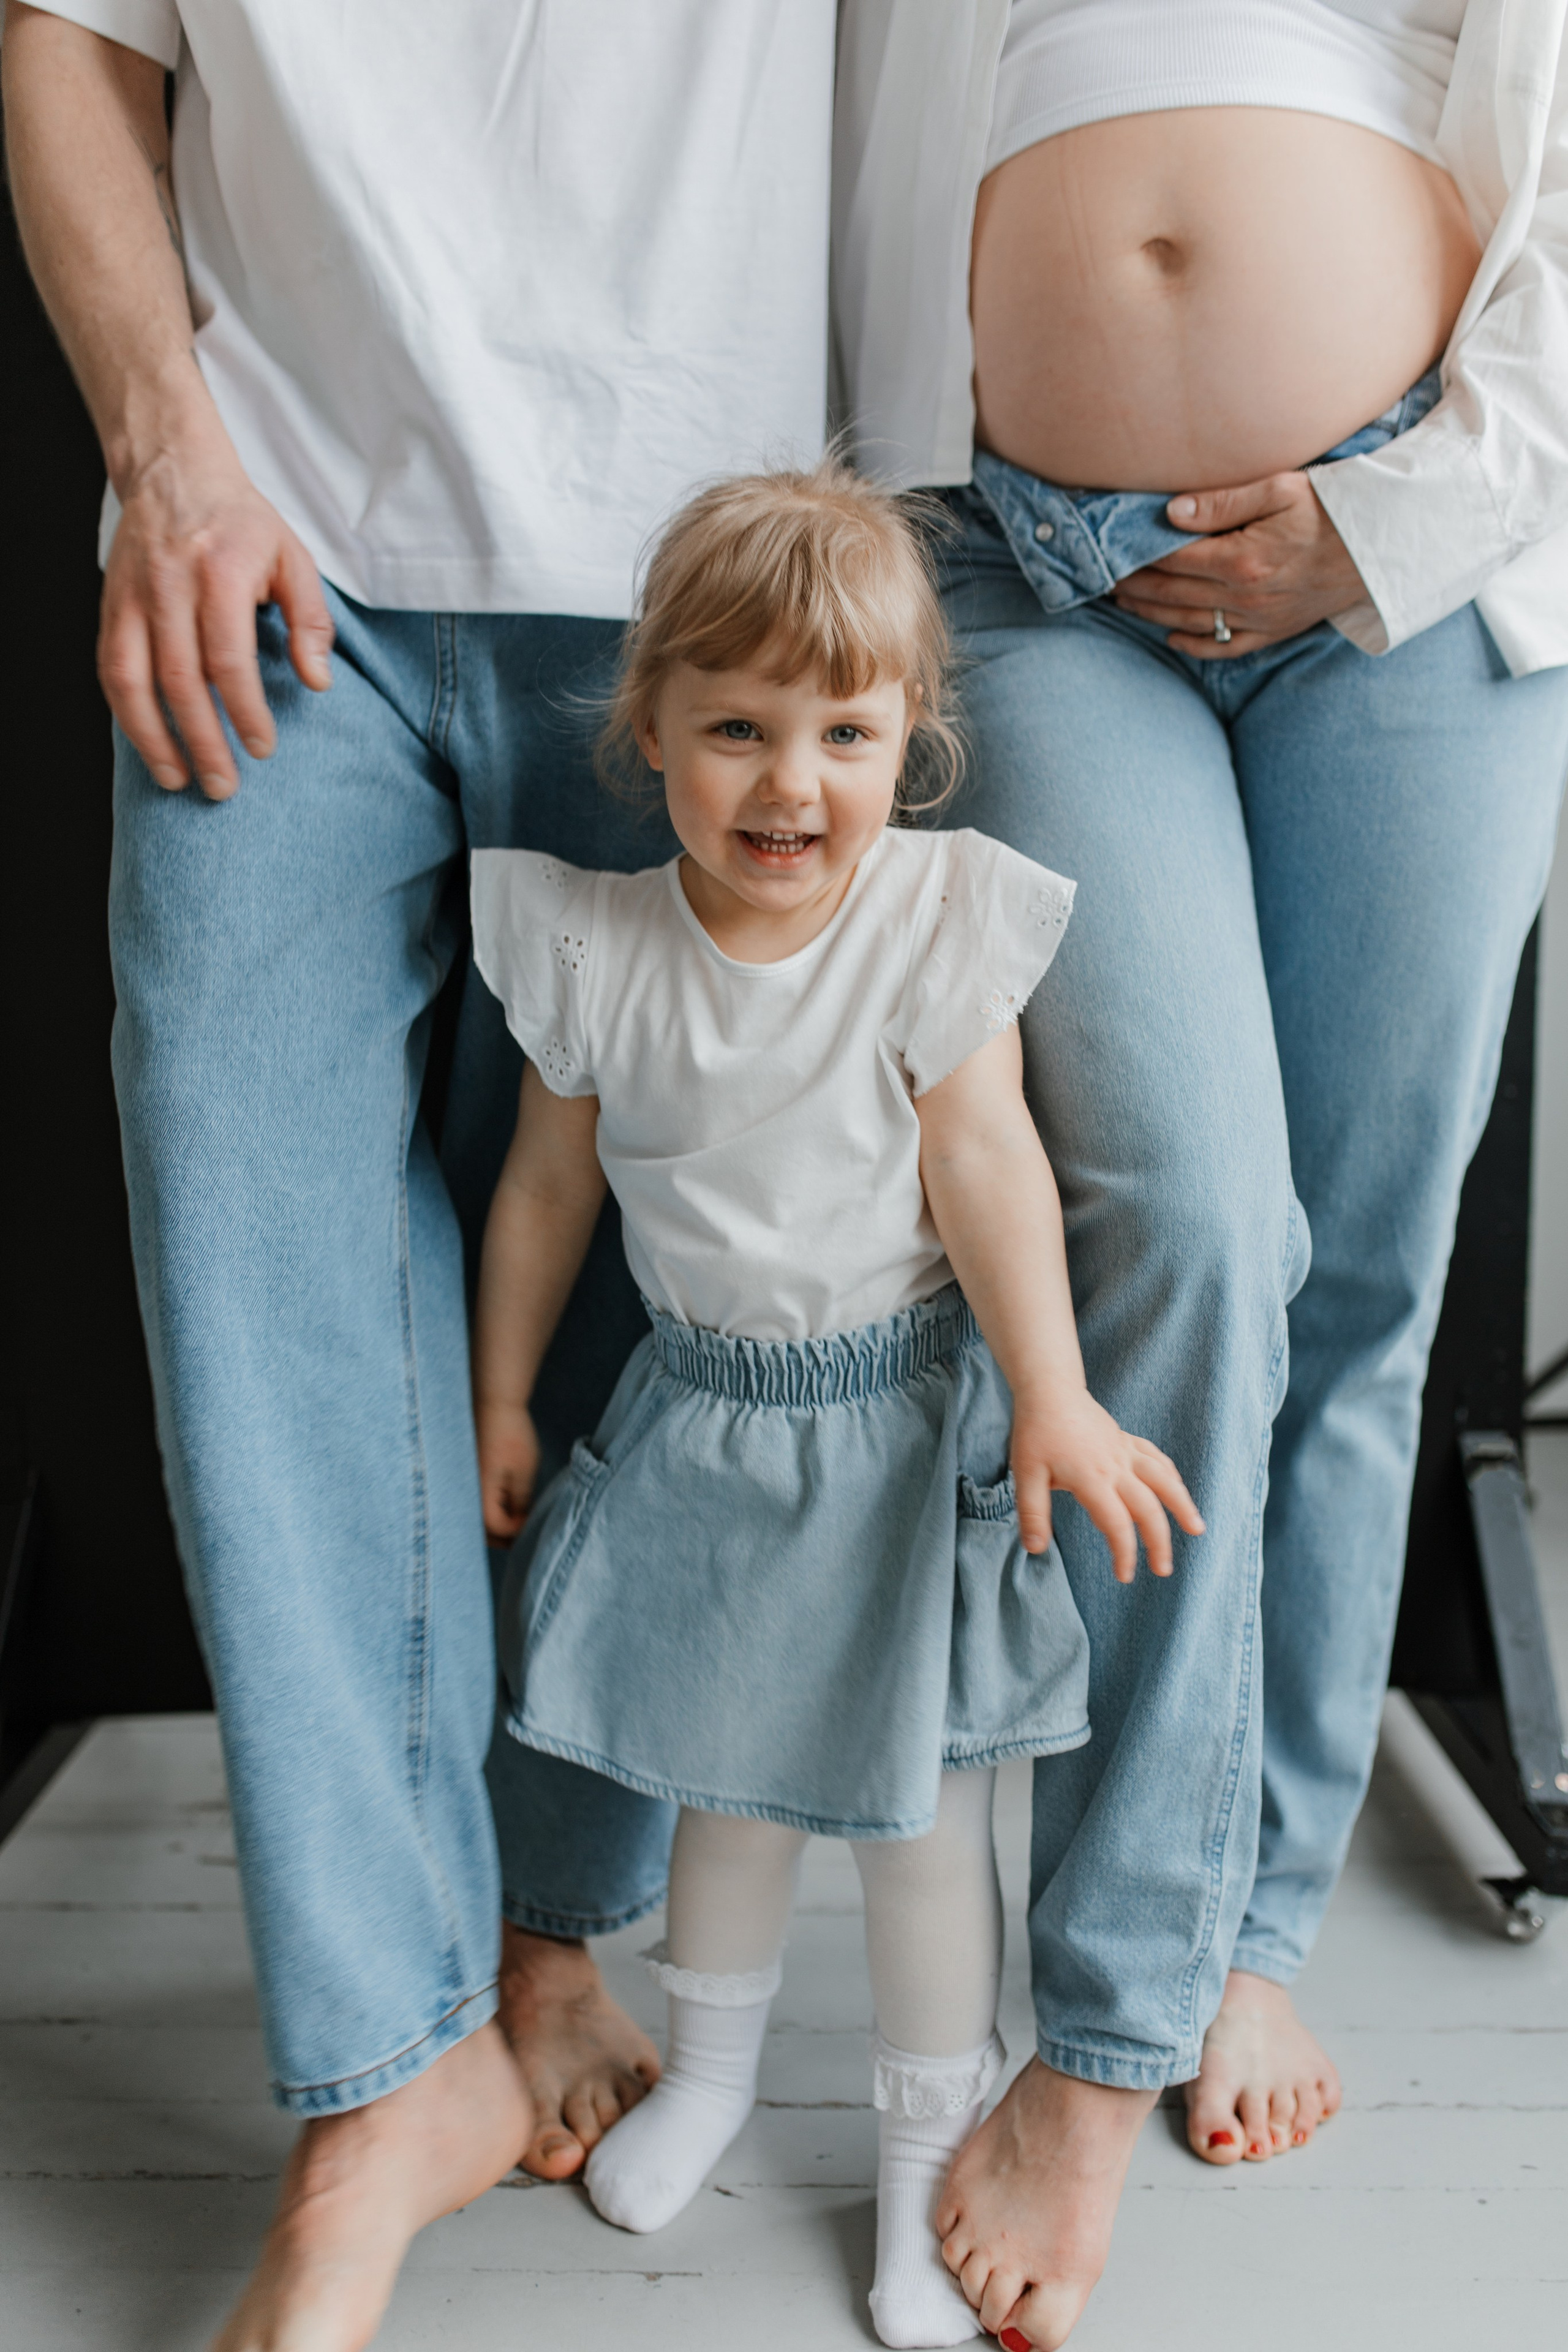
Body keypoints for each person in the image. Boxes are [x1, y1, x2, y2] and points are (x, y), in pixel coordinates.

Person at [2, 4, 837, 2345]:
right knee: (248, 1222)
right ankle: (386, 2078)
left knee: (619, 1281)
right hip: (267, 541)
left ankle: (542, 1940)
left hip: (700, 541)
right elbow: (66, 32)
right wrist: (161, 442)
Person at [832, 2, 1568, 2343]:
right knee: (1191, 1223)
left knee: (1357, 1270)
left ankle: (1216, 1949)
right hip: (1019, 553)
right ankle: (1132, 1975)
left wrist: (1394, 511)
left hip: (1425, 541)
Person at [466, 462, 1204, 2350]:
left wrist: (1054, 1393)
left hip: (898, 1433)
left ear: (909, 742)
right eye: (737, 729)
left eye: (845, 734)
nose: (792, 785)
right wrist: (499, 1394)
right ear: (651, 731)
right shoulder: (604, 950)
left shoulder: (924, 928)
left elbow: (991, 1166)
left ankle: (916, 2146)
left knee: (919, 1829)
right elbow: (549, 1193)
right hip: (713, 1420)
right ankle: (706, 2075)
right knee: (728, 1784)